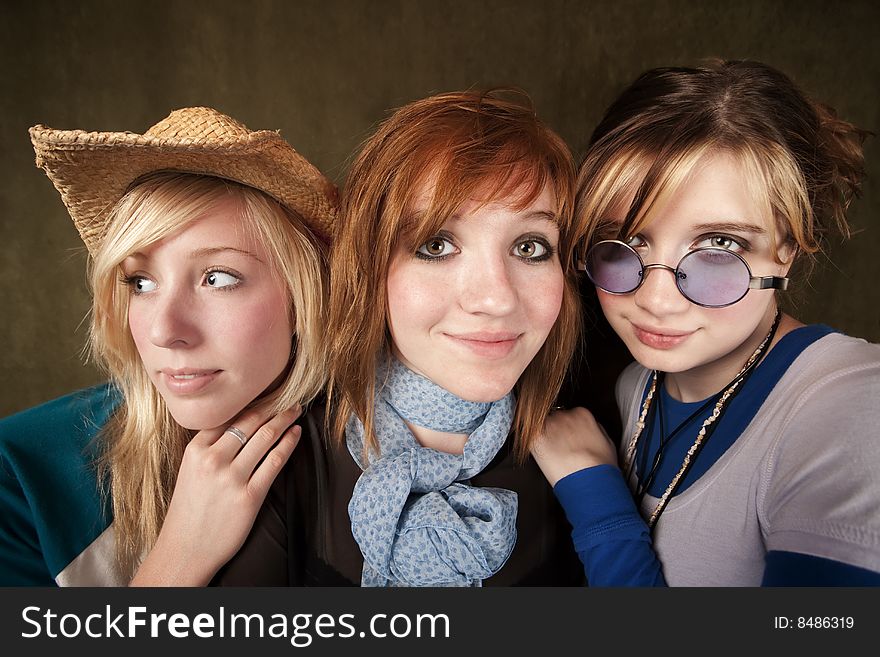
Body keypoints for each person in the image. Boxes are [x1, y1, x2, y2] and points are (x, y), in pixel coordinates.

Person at [531, 59, 880, 586]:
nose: (657, 300)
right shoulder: (634, 386)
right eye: (625, 242)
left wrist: (598, 502)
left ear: (787, 247)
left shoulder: (852, 410)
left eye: (720, 245)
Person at [0, 107, 336, 585]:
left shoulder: (400, 447)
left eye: (217, 278)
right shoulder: (20, 475)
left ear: (305, 297)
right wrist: (180, 558)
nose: (164, 331)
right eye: (140, 282)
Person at [324, 88, 585, 586]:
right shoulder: (278, 457)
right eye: (436, 244)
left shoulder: (587, 466)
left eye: (530, 247)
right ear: (368, 268)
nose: (495, 298)